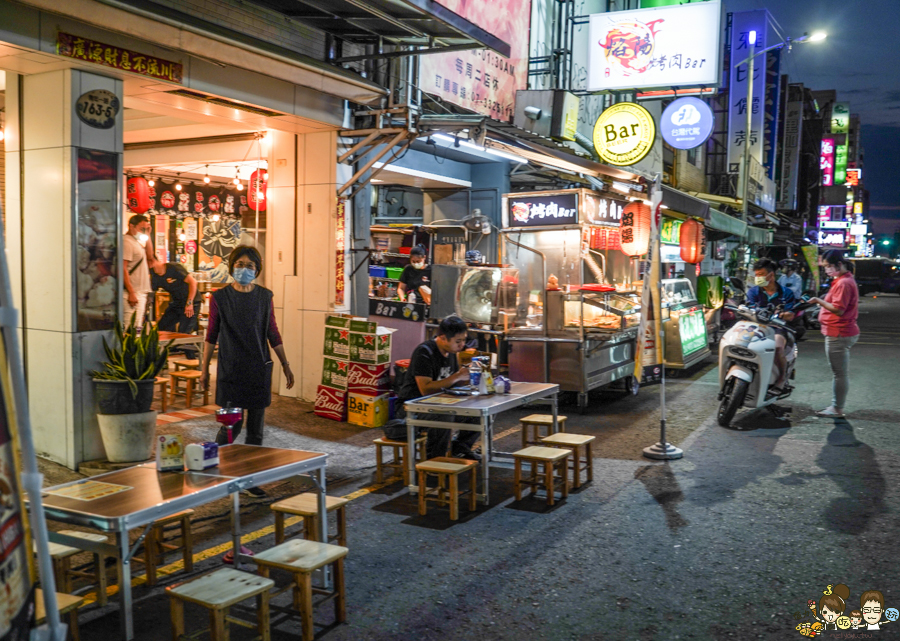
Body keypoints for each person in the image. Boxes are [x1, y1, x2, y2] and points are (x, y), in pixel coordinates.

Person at [199, 246, 295, 492]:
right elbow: (211, 335)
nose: (244, 269)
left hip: (258, 368)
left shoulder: (265, 297)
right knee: (231, 425)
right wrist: (204, 370)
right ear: (231, 267)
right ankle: (213, 467)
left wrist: (285, 364)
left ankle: (251, 481)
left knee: (256, 430)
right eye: (239, 264)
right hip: (231, 370)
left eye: (250, 266)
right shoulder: (220, 298)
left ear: (257, 270)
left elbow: (272, 332)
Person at [398, 315, 481, 461]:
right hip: (413, 406)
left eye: (464, 340)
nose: (462, 345)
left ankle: (460, 449)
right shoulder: (424, 352)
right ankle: (435, 461)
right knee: (444, 415)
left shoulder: (451, 353)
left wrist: (471, 378)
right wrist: (456, 376)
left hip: (439, 402)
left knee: (478, 411)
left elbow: (452, 383)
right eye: (458, 341)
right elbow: (426, 389)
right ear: (443, 338)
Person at [808, 249, 859, 418]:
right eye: (824, 267)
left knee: (839, 374)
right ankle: (837, 407)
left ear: (839, 264)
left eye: (829, 266)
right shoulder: (842, 280)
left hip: (839, 332)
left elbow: (838, 309)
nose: (827, 270)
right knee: (840, 373)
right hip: (839, 331)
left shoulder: (844, 283)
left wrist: (818, 301)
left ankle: (837, 408)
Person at [745, 257, 797, 390]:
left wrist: (785, 314)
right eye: (756, 275)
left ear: (771, 275)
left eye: (761, 275)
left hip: (777, 327)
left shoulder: (786, 293)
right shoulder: (753, 292)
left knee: (778, 347)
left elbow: (791, 314)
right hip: (756, 326)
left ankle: (781, 378)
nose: (758, 278)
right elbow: (748, 307)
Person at [149, 255, 201, 358]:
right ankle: (162, 361)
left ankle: (194, 364)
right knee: (160, 328)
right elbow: (150, 293)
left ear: (155, 260)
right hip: (176, 304)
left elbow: (193, 282)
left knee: (184, 334)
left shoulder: (173, 268)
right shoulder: (155, 276)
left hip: (191, 302)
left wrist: (189, 304)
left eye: (149, 262)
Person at [123, 215, 153, 326]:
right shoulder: (127, 242)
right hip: (133, 293)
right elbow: (123, 268)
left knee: (137, 328)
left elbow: (150, 255)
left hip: (139, 293)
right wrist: (131, 292)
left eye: (145, 229)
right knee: (131, 328)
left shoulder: (135, 242)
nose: (143, 232)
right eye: (142, 229)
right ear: (132, 226)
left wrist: (148, 235)